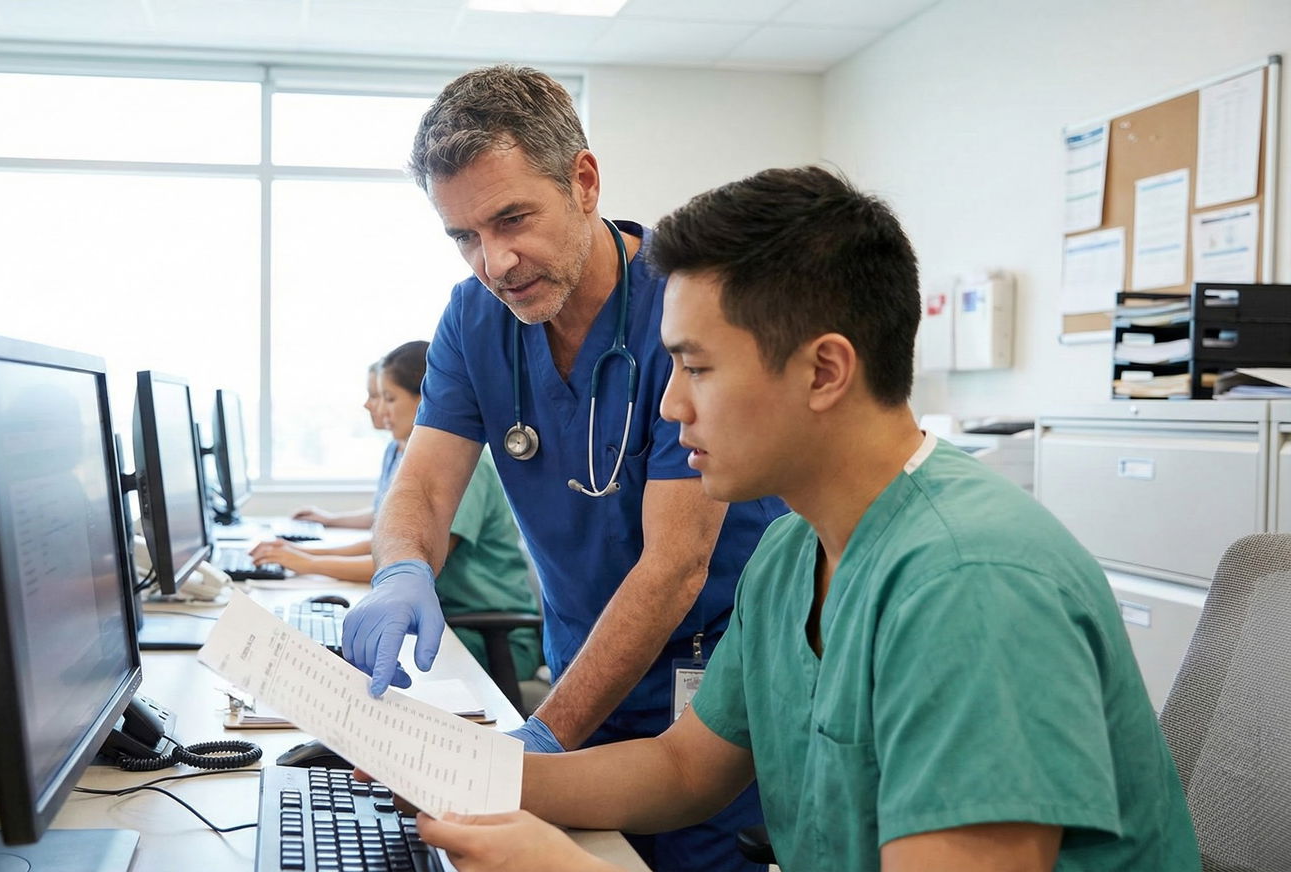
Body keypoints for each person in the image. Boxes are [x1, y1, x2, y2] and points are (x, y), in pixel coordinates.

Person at [415, 167, 1202, 872]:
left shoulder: (971, 584)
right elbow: (685, 770)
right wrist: (454, 770)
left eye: (696, 367)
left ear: (824, 371)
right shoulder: (794, 551)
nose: (668, 404)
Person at [341, 65, 788, 871]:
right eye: (465, 235)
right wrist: (399, 570)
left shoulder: (680, 313)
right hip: (582, 665)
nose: (496, 261)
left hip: (711, 698)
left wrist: (543, 737)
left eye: (513, 218)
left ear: (583, 180)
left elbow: (675, 565)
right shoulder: (475, 319)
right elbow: (425, 483)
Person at [255, 341, 542, 680]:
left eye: (388, 398)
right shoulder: (408, 456)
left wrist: (309, 561)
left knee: (354, 664)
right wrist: (305, 555)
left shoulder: (466, 465)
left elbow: (415, 559)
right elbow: (386, 543)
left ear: (425, 399)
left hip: (488, 634)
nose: (375, 407)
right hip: (446, 617)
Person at [291, 360, 391, 529]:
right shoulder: (393, 449)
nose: (367, 405)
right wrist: (329, 519)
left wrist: (311, 555)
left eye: (378, 396)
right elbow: (380, 516)